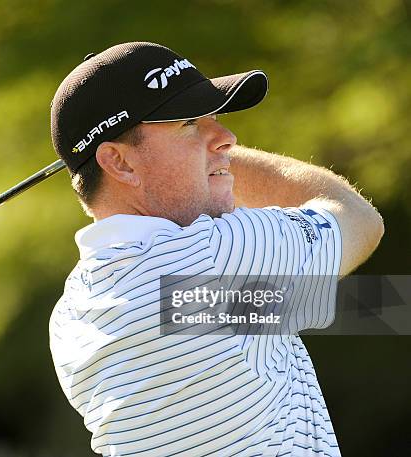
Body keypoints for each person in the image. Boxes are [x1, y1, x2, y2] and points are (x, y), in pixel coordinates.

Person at [48, 42, 383, 457]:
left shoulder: (72, 314)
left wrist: (201, 161)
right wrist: (221, 163)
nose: (227, 137)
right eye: (189, 122)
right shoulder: (215, 255)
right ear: (119, 163)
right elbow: (358, 220)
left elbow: (230, 308)